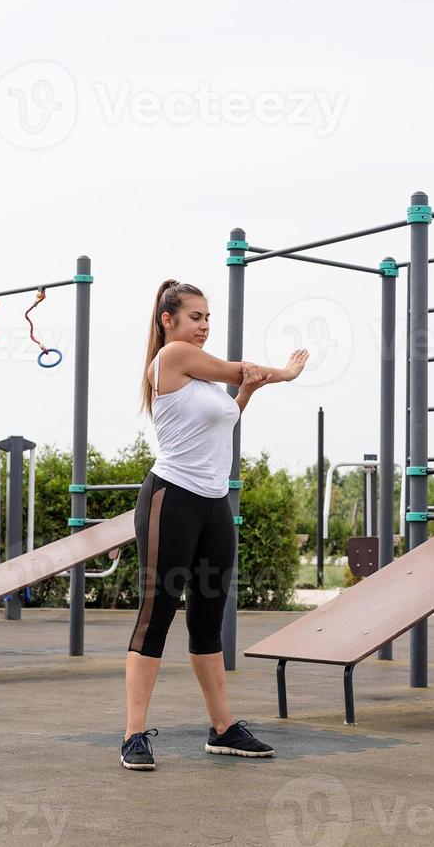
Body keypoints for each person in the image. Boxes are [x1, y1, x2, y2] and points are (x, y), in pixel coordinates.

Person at [121, 279, 309, 770]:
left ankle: (223, 729)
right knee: (157, 613)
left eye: (207, 317)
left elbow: (225, 414)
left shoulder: (200, 379)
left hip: (213, 504)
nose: (203, 326)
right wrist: (283, 374)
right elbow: (236, 367)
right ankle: (133, 735)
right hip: (172, 499)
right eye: (195, 317)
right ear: (169, 321)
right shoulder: (173, 357)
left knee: (208, 621)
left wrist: (244, 392)